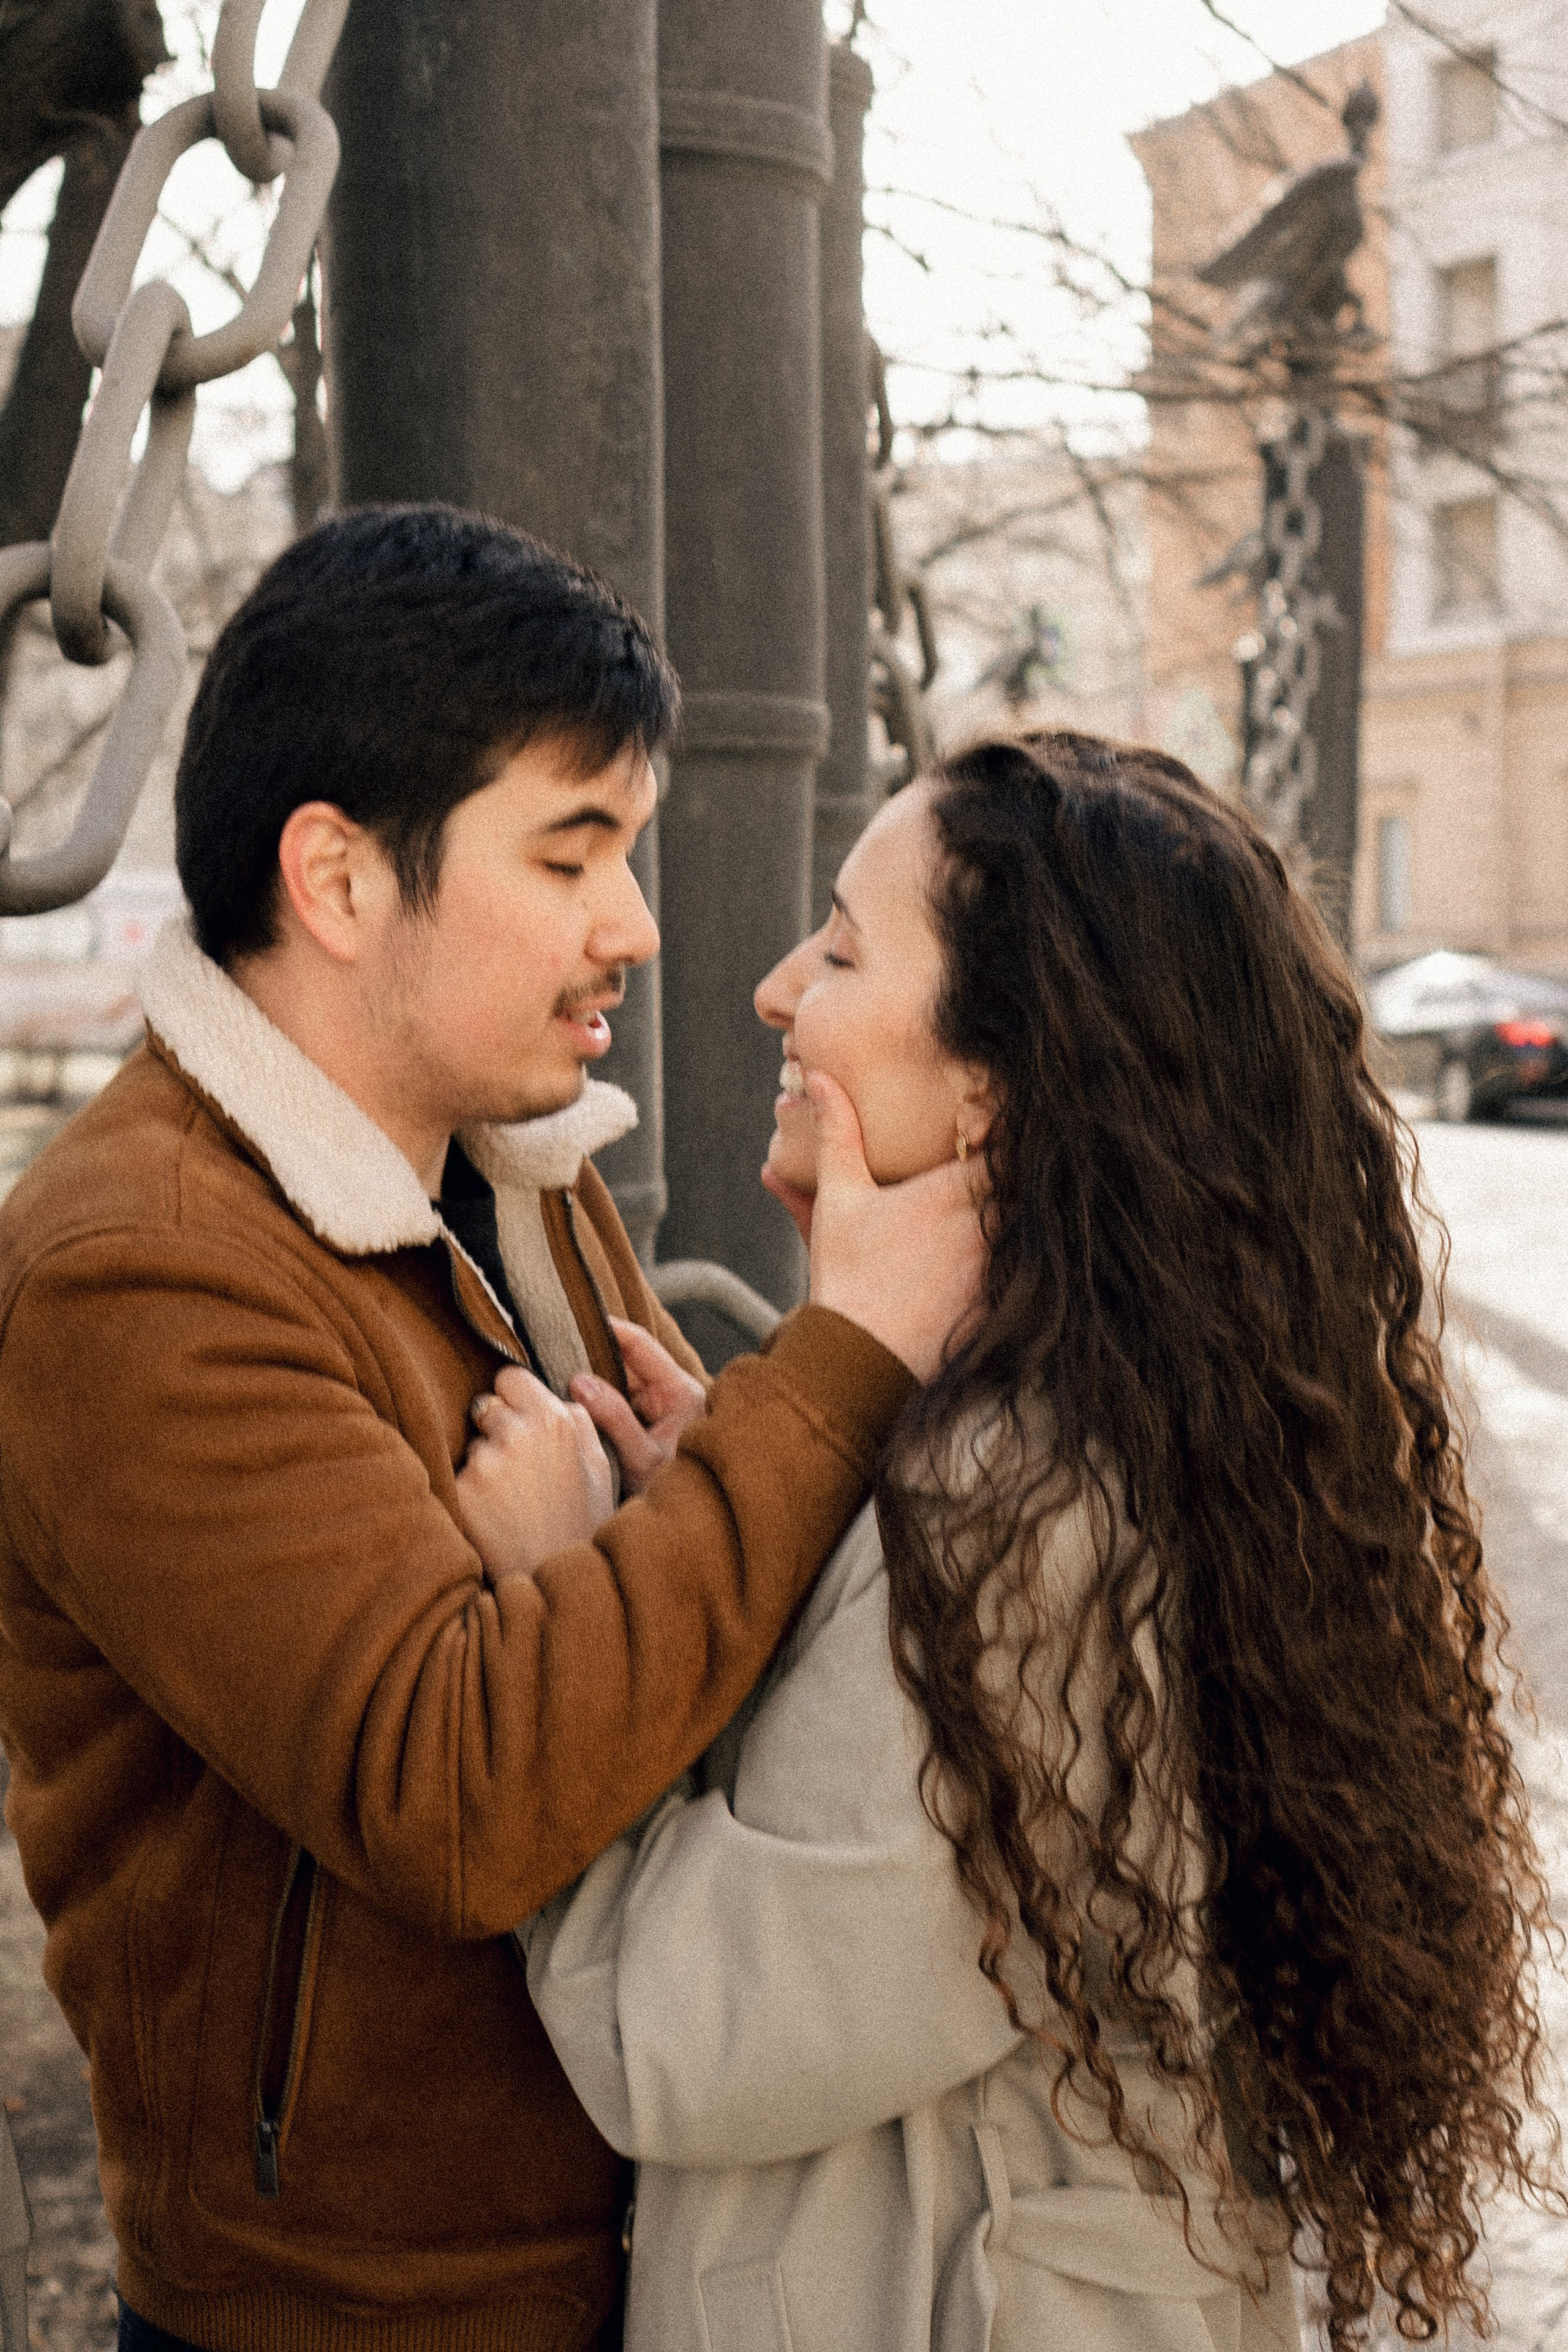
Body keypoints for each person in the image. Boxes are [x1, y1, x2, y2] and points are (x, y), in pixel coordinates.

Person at [0, 505, 985, 2352]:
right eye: (571, 853)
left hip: (621, 2238)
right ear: (339, 877)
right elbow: (452, 1797)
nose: (637, 927)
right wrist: (846, 1357)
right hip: (355, 2312)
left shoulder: (516, 1178)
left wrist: (687, 1492)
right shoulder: (139, 1268)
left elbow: (677, 1634)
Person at [491, 731, 1558, 2352]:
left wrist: (562, 1608)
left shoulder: (1018, 1507)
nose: (776, 990)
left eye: (843, 949)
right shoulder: (1101, 1420)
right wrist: (743, 1534)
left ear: (998, 1081)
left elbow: (685, 2038)